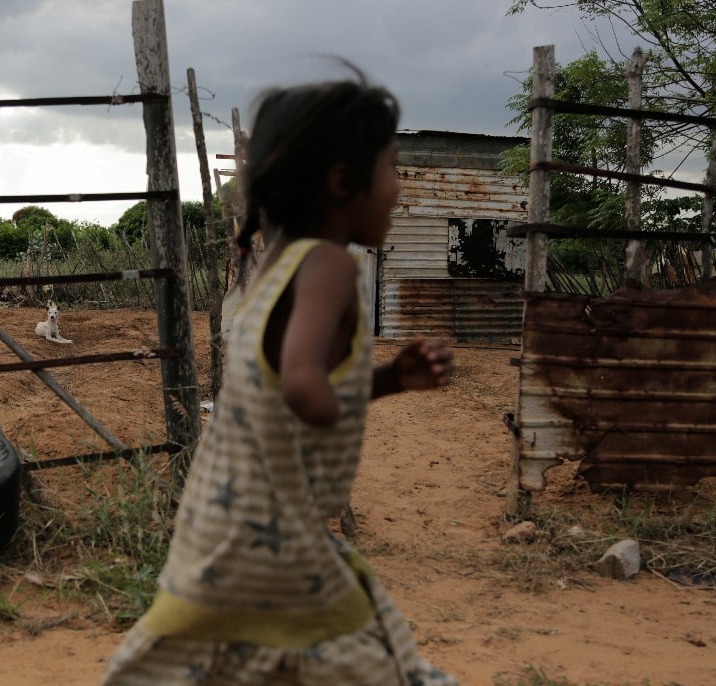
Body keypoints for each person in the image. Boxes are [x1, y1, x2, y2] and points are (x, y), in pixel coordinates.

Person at [102, 64, 460, 686]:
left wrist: (389, 380)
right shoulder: (330, 266)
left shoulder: (276, 264)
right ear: (342, 182)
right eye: (393, 168)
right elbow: (300, 384)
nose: (400, 187)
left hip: (224, 524)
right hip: (272, 534)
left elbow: (288, 379)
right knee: (367, 662)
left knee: (243, 659)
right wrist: (326, 411)